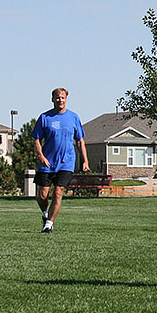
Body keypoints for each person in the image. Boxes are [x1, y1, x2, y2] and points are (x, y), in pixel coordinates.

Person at [31, 88, 89, 234]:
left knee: (58, 192)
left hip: (66, 162)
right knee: (42, 195)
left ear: (66, 99)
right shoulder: (45, 117)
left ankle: (49, 225)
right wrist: (41, 156)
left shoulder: (73, 117)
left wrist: (85, 161)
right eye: (57, 98)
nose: (60, 100)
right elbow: (37, 140)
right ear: (52, 99)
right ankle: (45, 214)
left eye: (63, 98)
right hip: (47, 163)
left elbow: (80, 141)